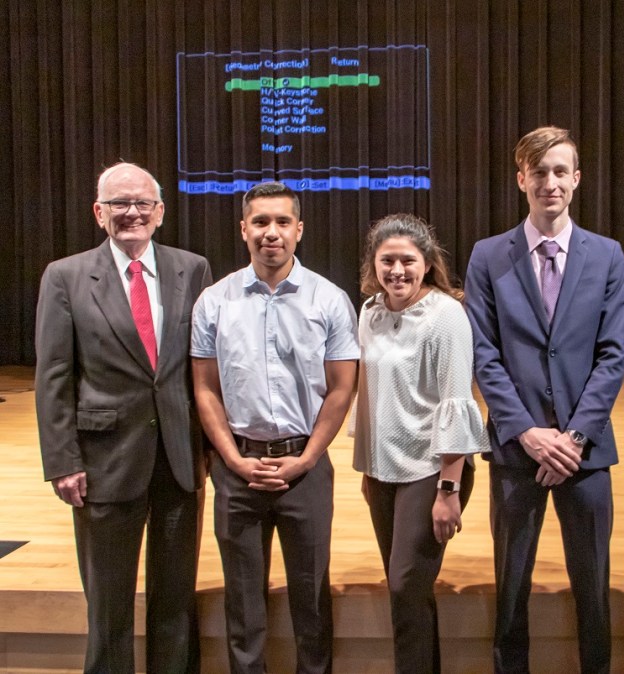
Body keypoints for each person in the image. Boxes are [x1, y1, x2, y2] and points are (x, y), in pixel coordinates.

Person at [35, 162, 212, 673]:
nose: (131, 212)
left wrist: (209, 450)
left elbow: (204, 366)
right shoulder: (65, 277)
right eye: (119, 203)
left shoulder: (192, 268)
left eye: (141, 203)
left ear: (160, 211)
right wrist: (62, 460)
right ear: (99, 212)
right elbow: (53, 378)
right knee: (109, 605)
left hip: (179, 460)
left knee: (175, 599)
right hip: (101, 464)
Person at [465, 126, 624, 674]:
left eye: (560, 171)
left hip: (586, 454)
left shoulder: (607, 256)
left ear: (576, 179)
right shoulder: (488, 256)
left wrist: (575, 436)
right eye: (539, 172)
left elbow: (612, 355)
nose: (550, 182)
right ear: (521, 180)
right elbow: (484, 355)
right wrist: (527, 432)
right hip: (518, 451)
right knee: (511, 587)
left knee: (594, 587)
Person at [191, 181, 358, 674]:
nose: (271, 233)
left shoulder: (329, 299)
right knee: (242, 604)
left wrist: (307, 458)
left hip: (304, 467)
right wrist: (234, 459)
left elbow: (342, 389)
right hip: (236, 470)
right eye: (260, 222)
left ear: (299, 230)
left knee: (311, 599)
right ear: (243, 229)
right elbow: (205, 390)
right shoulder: (214, 302)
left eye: (282, 222)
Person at [351, 213, 489, 674]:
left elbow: (456, 402)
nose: (397, 271)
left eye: (407, 261)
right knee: (407, 589)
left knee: (405, 586)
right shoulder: (369, 312)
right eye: (387, 260)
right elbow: (372, 397)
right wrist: (369, 471)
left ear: (426, 263)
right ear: (374, 263)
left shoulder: (445, 315)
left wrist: (449, 493)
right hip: (385, 470)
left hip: (432, 472)